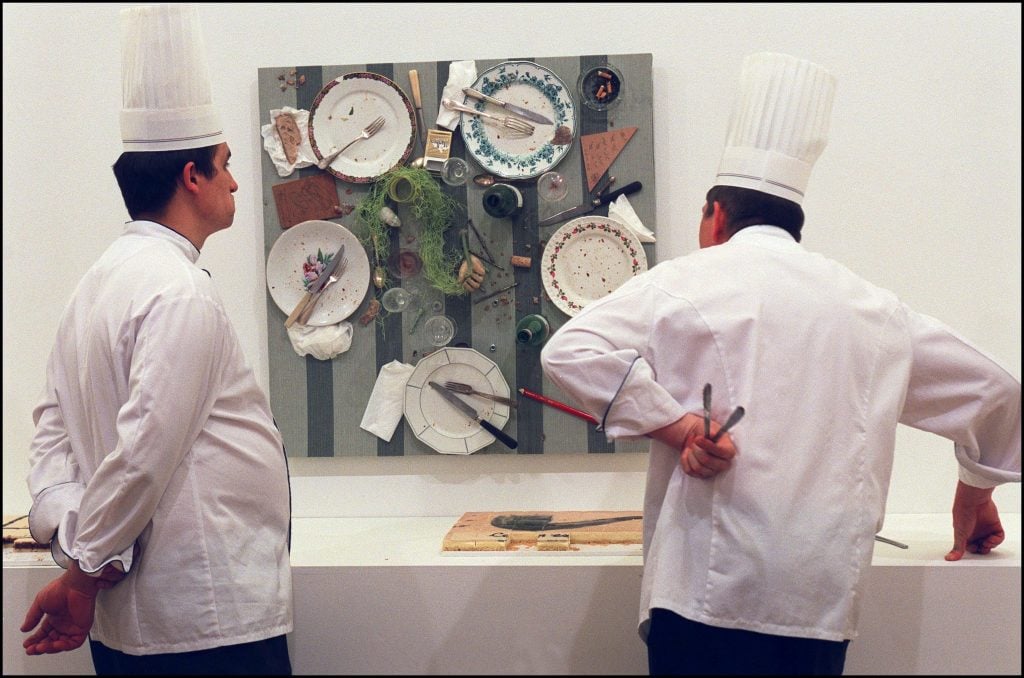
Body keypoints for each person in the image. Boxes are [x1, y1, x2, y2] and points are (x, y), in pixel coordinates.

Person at [541, 51, 1020, 675]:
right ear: (794, 222)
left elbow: (569, 350)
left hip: (701, 603)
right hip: (817, 606)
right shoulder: (873, 310)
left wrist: (677, 426)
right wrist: (975, 492)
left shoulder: (688, 280)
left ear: (715, 217)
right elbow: (999, 390)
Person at [20, 5, 293, 674]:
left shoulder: (98, 281)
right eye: (224, 164)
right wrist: (84, 571)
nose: (234, 180)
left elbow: (49, 434)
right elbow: (145, 450)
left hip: (141, 623)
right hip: (206, 621)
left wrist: (68, 530)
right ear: (191, 176)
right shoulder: (180, 292)